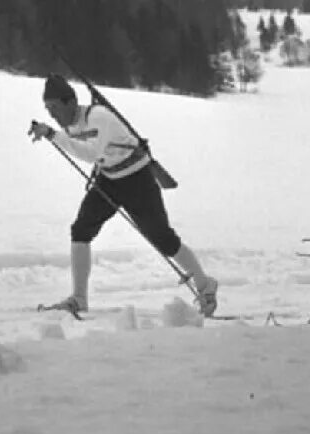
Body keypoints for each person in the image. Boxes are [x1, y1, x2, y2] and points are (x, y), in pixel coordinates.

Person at [28, 73, 219, 316]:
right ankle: (78, 299)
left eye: (54, 107)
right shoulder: (70, 124)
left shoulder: (98, 117)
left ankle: (205, 285)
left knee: (162, 238)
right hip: (109, 178)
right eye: (47, 109)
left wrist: (53, 135)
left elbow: (91, 153)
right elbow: (87, 150)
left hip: (137, 179)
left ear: (70, 102)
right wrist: (50, 132)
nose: (52, 114)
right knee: (81, 229)